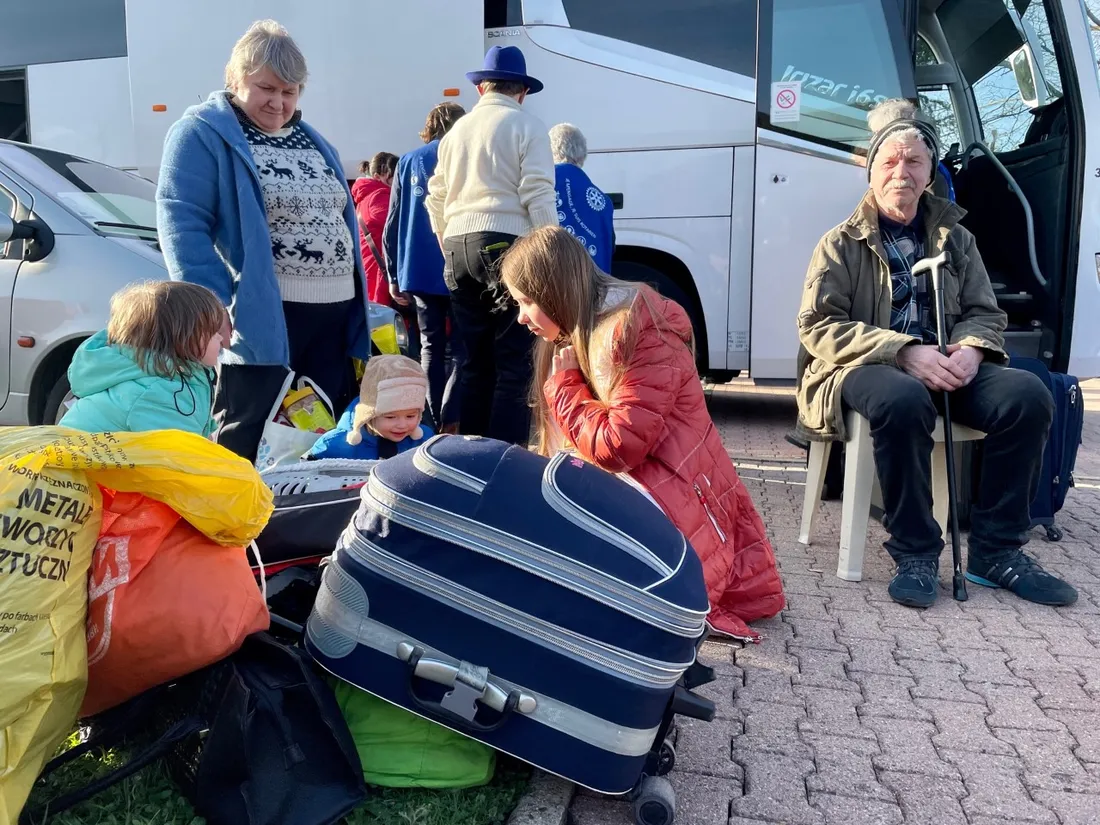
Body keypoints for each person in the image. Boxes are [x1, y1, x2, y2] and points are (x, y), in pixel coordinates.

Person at [794, 98, 1076, 609]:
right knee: (902, 399)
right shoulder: (840, 243)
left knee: (1028, 394)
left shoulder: (958, 240)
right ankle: (916, 552)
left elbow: (985, 312)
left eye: (914, 161)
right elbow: (818, 326)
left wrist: (972, 349)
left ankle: (997, 551)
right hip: (865, 367)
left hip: (947, 365)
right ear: (871, 171)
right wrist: (903, 351)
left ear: (930, 173)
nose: (901, 172)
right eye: (889, 161)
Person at [500, 225, 785, 640]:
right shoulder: (576, 334)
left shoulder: (641, 330)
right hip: (653, 496)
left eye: (527, 301)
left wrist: (565, 390)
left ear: (555, 289)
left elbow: (619, 447)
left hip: (675, 504)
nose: (521, 317)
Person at [156, 19, 372, 462]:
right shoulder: (200, 133)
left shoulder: (313, 140)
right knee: (248, 431)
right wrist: (210, 302)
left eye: (290, 92)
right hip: (264, 317)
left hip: (334, 315)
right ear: (236, 80)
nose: (278, 102)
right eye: (266, 88)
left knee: (320, 436)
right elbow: (182, 221)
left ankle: (305, 509)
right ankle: (235, 509)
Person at [425, 45, 558, 445]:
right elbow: (538, 193)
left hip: (457, 246)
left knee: (473, 362)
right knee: (514, 363)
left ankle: (470, 458)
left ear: (481, 88)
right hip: (508, 244)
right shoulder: (528, 127)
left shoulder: (455, 133)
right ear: (522, 91)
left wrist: (447, 241)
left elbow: (435, 197)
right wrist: (553, 255)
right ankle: (504, 460)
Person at [384, 102, 467, 433]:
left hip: (417, 267)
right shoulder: (463, 155)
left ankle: (431, 417)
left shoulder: (408, 160)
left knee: (430, 346)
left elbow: (392, 221)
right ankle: (452, 417)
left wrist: (393, 273)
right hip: (459, 265)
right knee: (462, 348)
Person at [61, 281, 225, 436]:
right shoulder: (158, 394)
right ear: (181, 340)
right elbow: (179, 451)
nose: (220, 337)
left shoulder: (169, 377)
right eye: (213, 333)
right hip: (83, 457)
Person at [308, 355, 435, 461]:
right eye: (390, 417)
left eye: (410, 416)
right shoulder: (334, 445)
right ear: (368, 415)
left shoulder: (425, 441)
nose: (402, 425)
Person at [549, 123, 615, 273]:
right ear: (583, 153)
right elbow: (610, 246)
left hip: (560, 277)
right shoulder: (604, 201)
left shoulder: (546, 183)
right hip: (596, 280)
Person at [354, 152, 398, 306]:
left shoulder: (366, 196)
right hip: (381, 272)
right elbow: (397, 226)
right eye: (394, 176)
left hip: (372, 268)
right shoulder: (380, 196)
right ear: (379, 176)